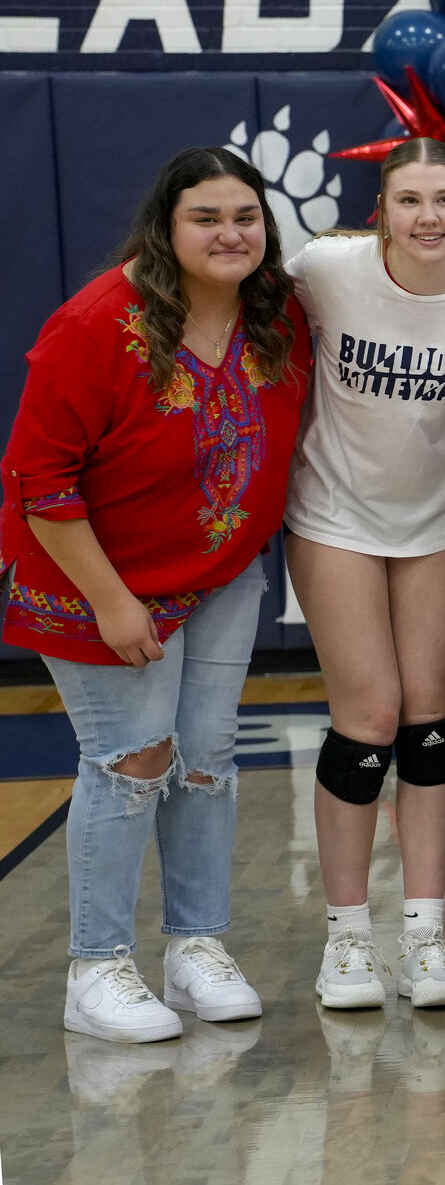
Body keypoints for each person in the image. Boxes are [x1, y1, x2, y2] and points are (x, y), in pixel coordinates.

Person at [2, 147, 310, 1041]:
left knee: (208, 759)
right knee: (133, 757)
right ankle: (95, 970)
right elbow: (39, 480)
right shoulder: (96, 323)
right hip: (94, 576)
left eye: (245, 217)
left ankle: (195, 950)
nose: (229, 234)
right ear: (164, 229)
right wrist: (110, 601)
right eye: (205, 218)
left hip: (218, 575)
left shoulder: (277, 313)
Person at [289, 137, 445, 1010]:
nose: (429, 217)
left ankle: (427, 935)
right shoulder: (328, 270)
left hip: (432, 525)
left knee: (430, 719)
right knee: (369, 716)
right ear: (379, 211)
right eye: (409, 201)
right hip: (334, 517)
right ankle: (348, 937)